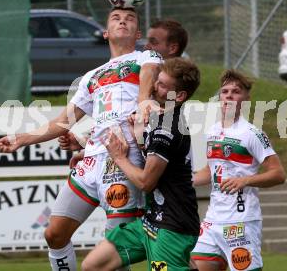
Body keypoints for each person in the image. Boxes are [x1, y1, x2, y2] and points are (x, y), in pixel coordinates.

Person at [0, 7, 162, 271]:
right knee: (54, 234)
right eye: (116, 18)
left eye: (130, 19)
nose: (123, 21)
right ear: (105, 33)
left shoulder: (146, 56)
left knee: (114, 250)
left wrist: (142, 102)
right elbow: (62, 122)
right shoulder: (91, 77)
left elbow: (149, 76)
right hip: (90, 162)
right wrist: (22, 139)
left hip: (123, 159)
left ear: (138, 32)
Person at [81, 57, 201, 271]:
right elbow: (153, 154)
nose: (155, 87)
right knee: (93, 265)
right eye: (158, 81)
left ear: (179, 96)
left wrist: (119, 158)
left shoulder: (168, 127)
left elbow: (146, 182)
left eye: (164, 85)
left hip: (171, 227)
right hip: (149, 222)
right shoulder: (157, 119)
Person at [190, 70, 286, 271]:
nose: (229, 95)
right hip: (213, 220)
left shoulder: (252, 134)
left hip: (240, 222)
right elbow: (211, 171)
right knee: (192, 266)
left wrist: (244, 180)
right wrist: (184, 181)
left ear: (246, 98)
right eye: (225, 91)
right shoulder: (213, 131)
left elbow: (278, 174)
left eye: (236, 91)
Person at [60, 18, 189, 162]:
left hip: (158, 180)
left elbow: (145, 175)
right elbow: (123, 126)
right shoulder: (152, 83)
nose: (146, 46)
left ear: (172, 48)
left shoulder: (166, 94)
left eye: (153, 42)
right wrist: (86, 145)